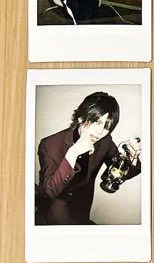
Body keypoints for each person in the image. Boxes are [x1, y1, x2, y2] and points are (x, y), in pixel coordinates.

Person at [36, 91, 142, 226]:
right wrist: (73, 153)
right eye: (97, 122)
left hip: (81, 213)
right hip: (50, 217)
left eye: (106, 127)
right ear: (81, 118)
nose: (100, 132)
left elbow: (118, 174)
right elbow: (48, 192)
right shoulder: (50, 144)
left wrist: (131, 157)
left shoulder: (105, 142)